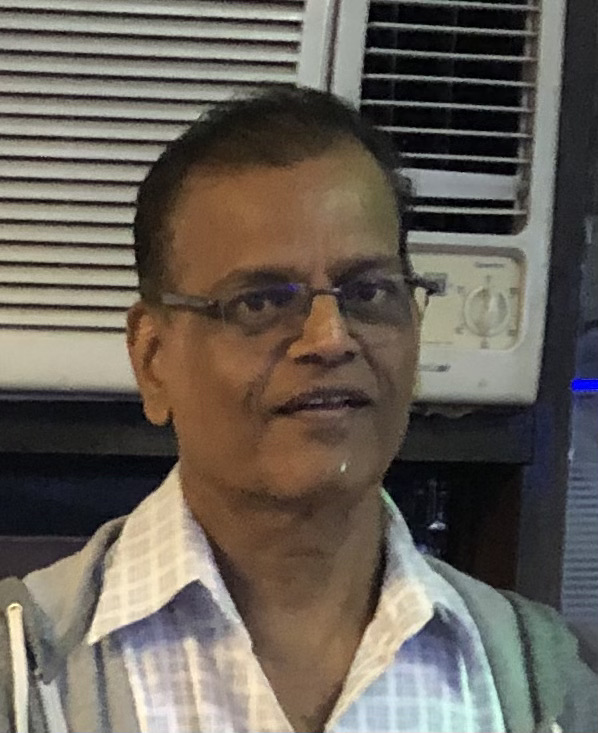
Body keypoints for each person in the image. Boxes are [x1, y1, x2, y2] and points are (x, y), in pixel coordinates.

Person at [1, 87, 596, 733]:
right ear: (153, 359)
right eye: (259, 302)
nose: (330, 338)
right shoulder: (26, 676)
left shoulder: (544, 687)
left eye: (368, 291)